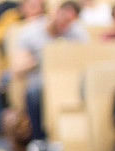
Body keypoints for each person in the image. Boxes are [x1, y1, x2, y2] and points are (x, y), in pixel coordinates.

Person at [13, 0, 88, 143]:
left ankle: (74, 143)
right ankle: (38, 141)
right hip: (41, 80)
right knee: (34, 92)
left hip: (70, 80)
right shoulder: (30, 32)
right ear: (56, 13)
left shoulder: (77, 32)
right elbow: (17, 68)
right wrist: (44, 57)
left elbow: (86, 60)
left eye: (69, 22)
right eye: (64, 19)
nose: (65, 25)